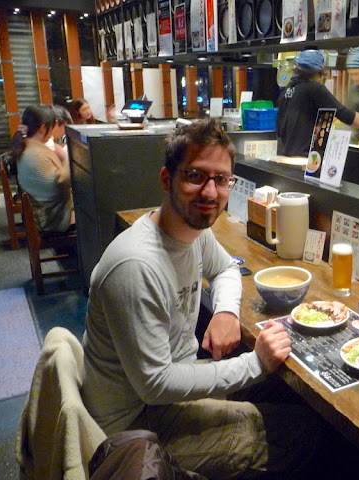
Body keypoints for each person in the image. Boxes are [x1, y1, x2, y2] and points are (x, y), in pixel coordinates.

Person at [81, 119, 321, 479]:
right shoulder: (135, 265)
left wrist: (225, 312)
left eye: (221, 179)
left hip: (171, 393)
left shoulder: (191, 231)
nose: (210, 192)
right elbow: (156, 384)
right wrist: (255, 364)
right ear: (167, 179)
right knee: (304, 431)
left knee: (284, 397)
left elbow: (225, 269)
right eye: (195, 176)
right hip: (135, 431)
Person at [276, 49, 359, 157]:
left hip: (286, 154)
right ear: (319, 71)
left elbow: (279, 126)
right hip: (303, 155)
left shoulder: (288, 89)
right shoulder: (314, 87)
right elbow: (345, 115)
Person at [12, 105, 74, 234]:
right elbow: (60, 185)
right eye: (51, 128)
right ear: (42, 128)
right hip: (53, 220)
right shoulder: (34, 154)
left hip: (43, 213)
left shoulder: (27, 145)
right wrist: (67, 158)